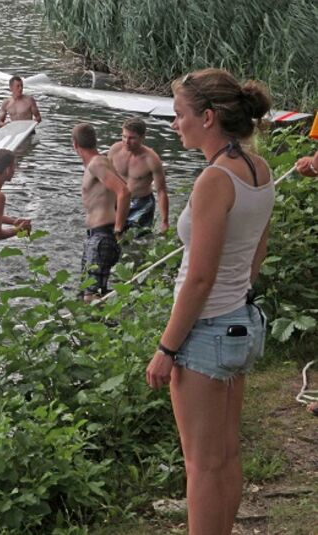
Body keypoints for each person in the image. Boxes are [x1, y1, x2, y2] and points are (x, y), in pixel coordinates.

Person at [145, 68, 275, 535]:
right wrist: (237, 293)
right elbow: (258, 248)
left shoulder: (214, 181)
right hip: (241, 321)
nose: (174, 123)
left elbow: (198, 279)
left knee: (200, 466)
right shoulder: (258, 169)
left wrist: (166, 348)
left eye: (179, 114)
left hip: (205, 333)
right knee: (226, 454)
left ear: (206, 117)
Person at [73, 123, 129, 300]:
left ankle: (106, 325)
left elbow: (124, 191)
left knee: (91, 297)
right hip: (95, 236)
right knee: (85, 292)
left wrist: (119, 228)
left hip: (102, 236)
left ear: (74, 144)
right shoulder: (99, 162)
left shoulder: (97, 164)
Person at [108, 117, 170, 233]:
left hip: (141, 204)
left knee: (138, 241)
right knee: (112, 235)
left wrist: (165, 221)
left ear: (142, 137)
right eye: (124, 136)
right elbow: (107, 177)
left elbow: (161, 191)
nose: (126, 141)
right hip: (119, 199)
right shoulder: (115, 150)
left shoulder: (151, 159)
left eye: (132, 138)